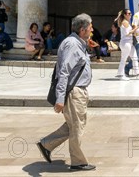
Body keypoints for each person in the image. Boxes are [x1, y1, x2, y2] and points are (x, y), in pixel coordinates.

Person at [37, 13, 95, 171]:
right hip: (74, 92)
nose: (92, 29)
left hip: (77, 91)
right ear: (82, 29)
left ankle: (46, 144)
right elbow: (64, 72)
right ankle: (78, 162)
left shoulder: (78, 43)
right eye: (90, 27)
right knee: (77, 126)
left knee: (74, 124)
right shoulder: (72, 44)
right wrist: (60, 99)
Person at [115, 9, 139, 79]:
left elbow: (129, 33)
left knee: (134, 57)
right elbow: (128, 33)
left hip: (129, 43)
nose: (130, 15)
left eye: (130, 13)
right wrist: (136, 28)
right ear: (125, 15)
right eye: (129, 13)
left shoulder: (126, 22)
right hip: (126, 43)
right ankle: (120, 74)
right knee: (124, 59)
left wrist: (136, 33)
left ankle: (136, 73)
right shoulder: (125, 22)